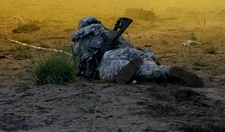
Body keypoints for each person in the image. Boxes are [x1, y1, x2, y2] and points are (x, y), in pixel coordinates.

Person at [71, 16, 203, 87]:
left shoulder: (81, 40)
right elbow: (128, 45)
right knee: (149, 68)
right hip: (133, 52)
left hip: (110, 56)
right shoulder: (110, 32)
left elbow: (82, 63)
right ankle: (166, 71)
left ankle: (124, 68)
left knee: (112, 69)